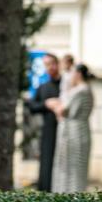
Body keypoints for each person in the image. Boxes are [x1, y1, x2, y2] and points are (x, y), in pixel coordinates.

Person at [49, 64, 94, 193]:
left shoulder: (81, 90)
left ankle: (72, 197)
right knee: (69, 167)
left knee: (74, 169)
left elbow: (63, 110)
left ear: (78, 74)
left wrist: (53, 105)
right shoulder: (84, 89)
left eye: (72, 73)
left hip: (75, 132)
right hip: (74, 130)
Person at [27, 53, 61, 192]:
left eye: (52, 63)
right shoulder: (43, 86)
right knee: (46, 163)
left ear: (58, 64)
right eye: (47, 64)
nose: (50, 67)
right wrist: (46, 104)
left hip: (65, 130)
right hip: (48, 129)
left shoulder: (66, 84)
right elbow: (33, 106)